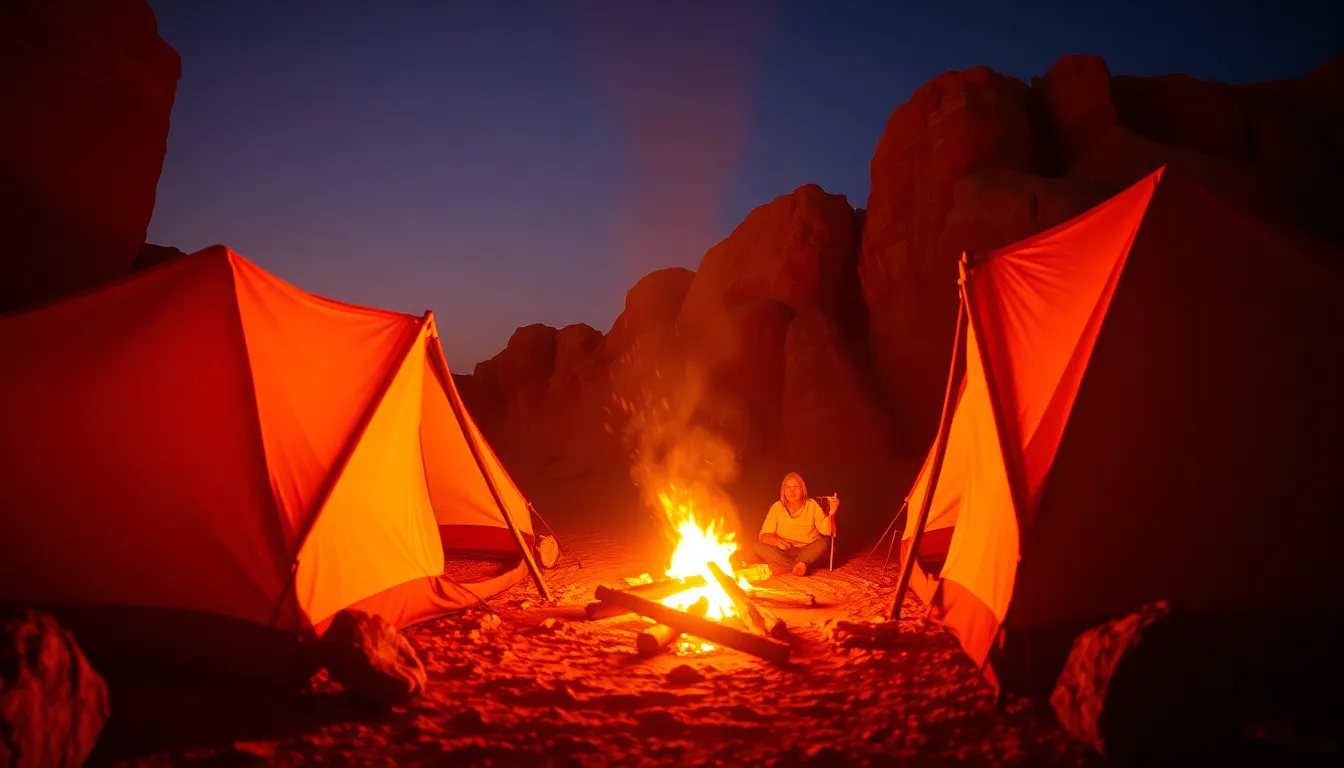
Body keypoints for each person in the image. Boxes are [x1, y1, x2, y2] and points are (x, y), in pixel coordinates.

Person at [753, 472, 838, 576]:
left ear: (802, 489)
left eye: (796, 487)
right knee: (757, 546)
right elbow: (763, 536)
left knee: (824, 542)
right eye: (787, 487)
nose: (791, 491)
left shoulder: (811, 505)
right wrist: (775, 541)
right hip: (783, 551)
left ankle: (784, 566)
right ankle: (797, 566)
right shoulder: (777, 507)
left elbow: (827, 531)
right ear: (783, 491)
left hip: (807, 550)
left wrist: (832, 513)